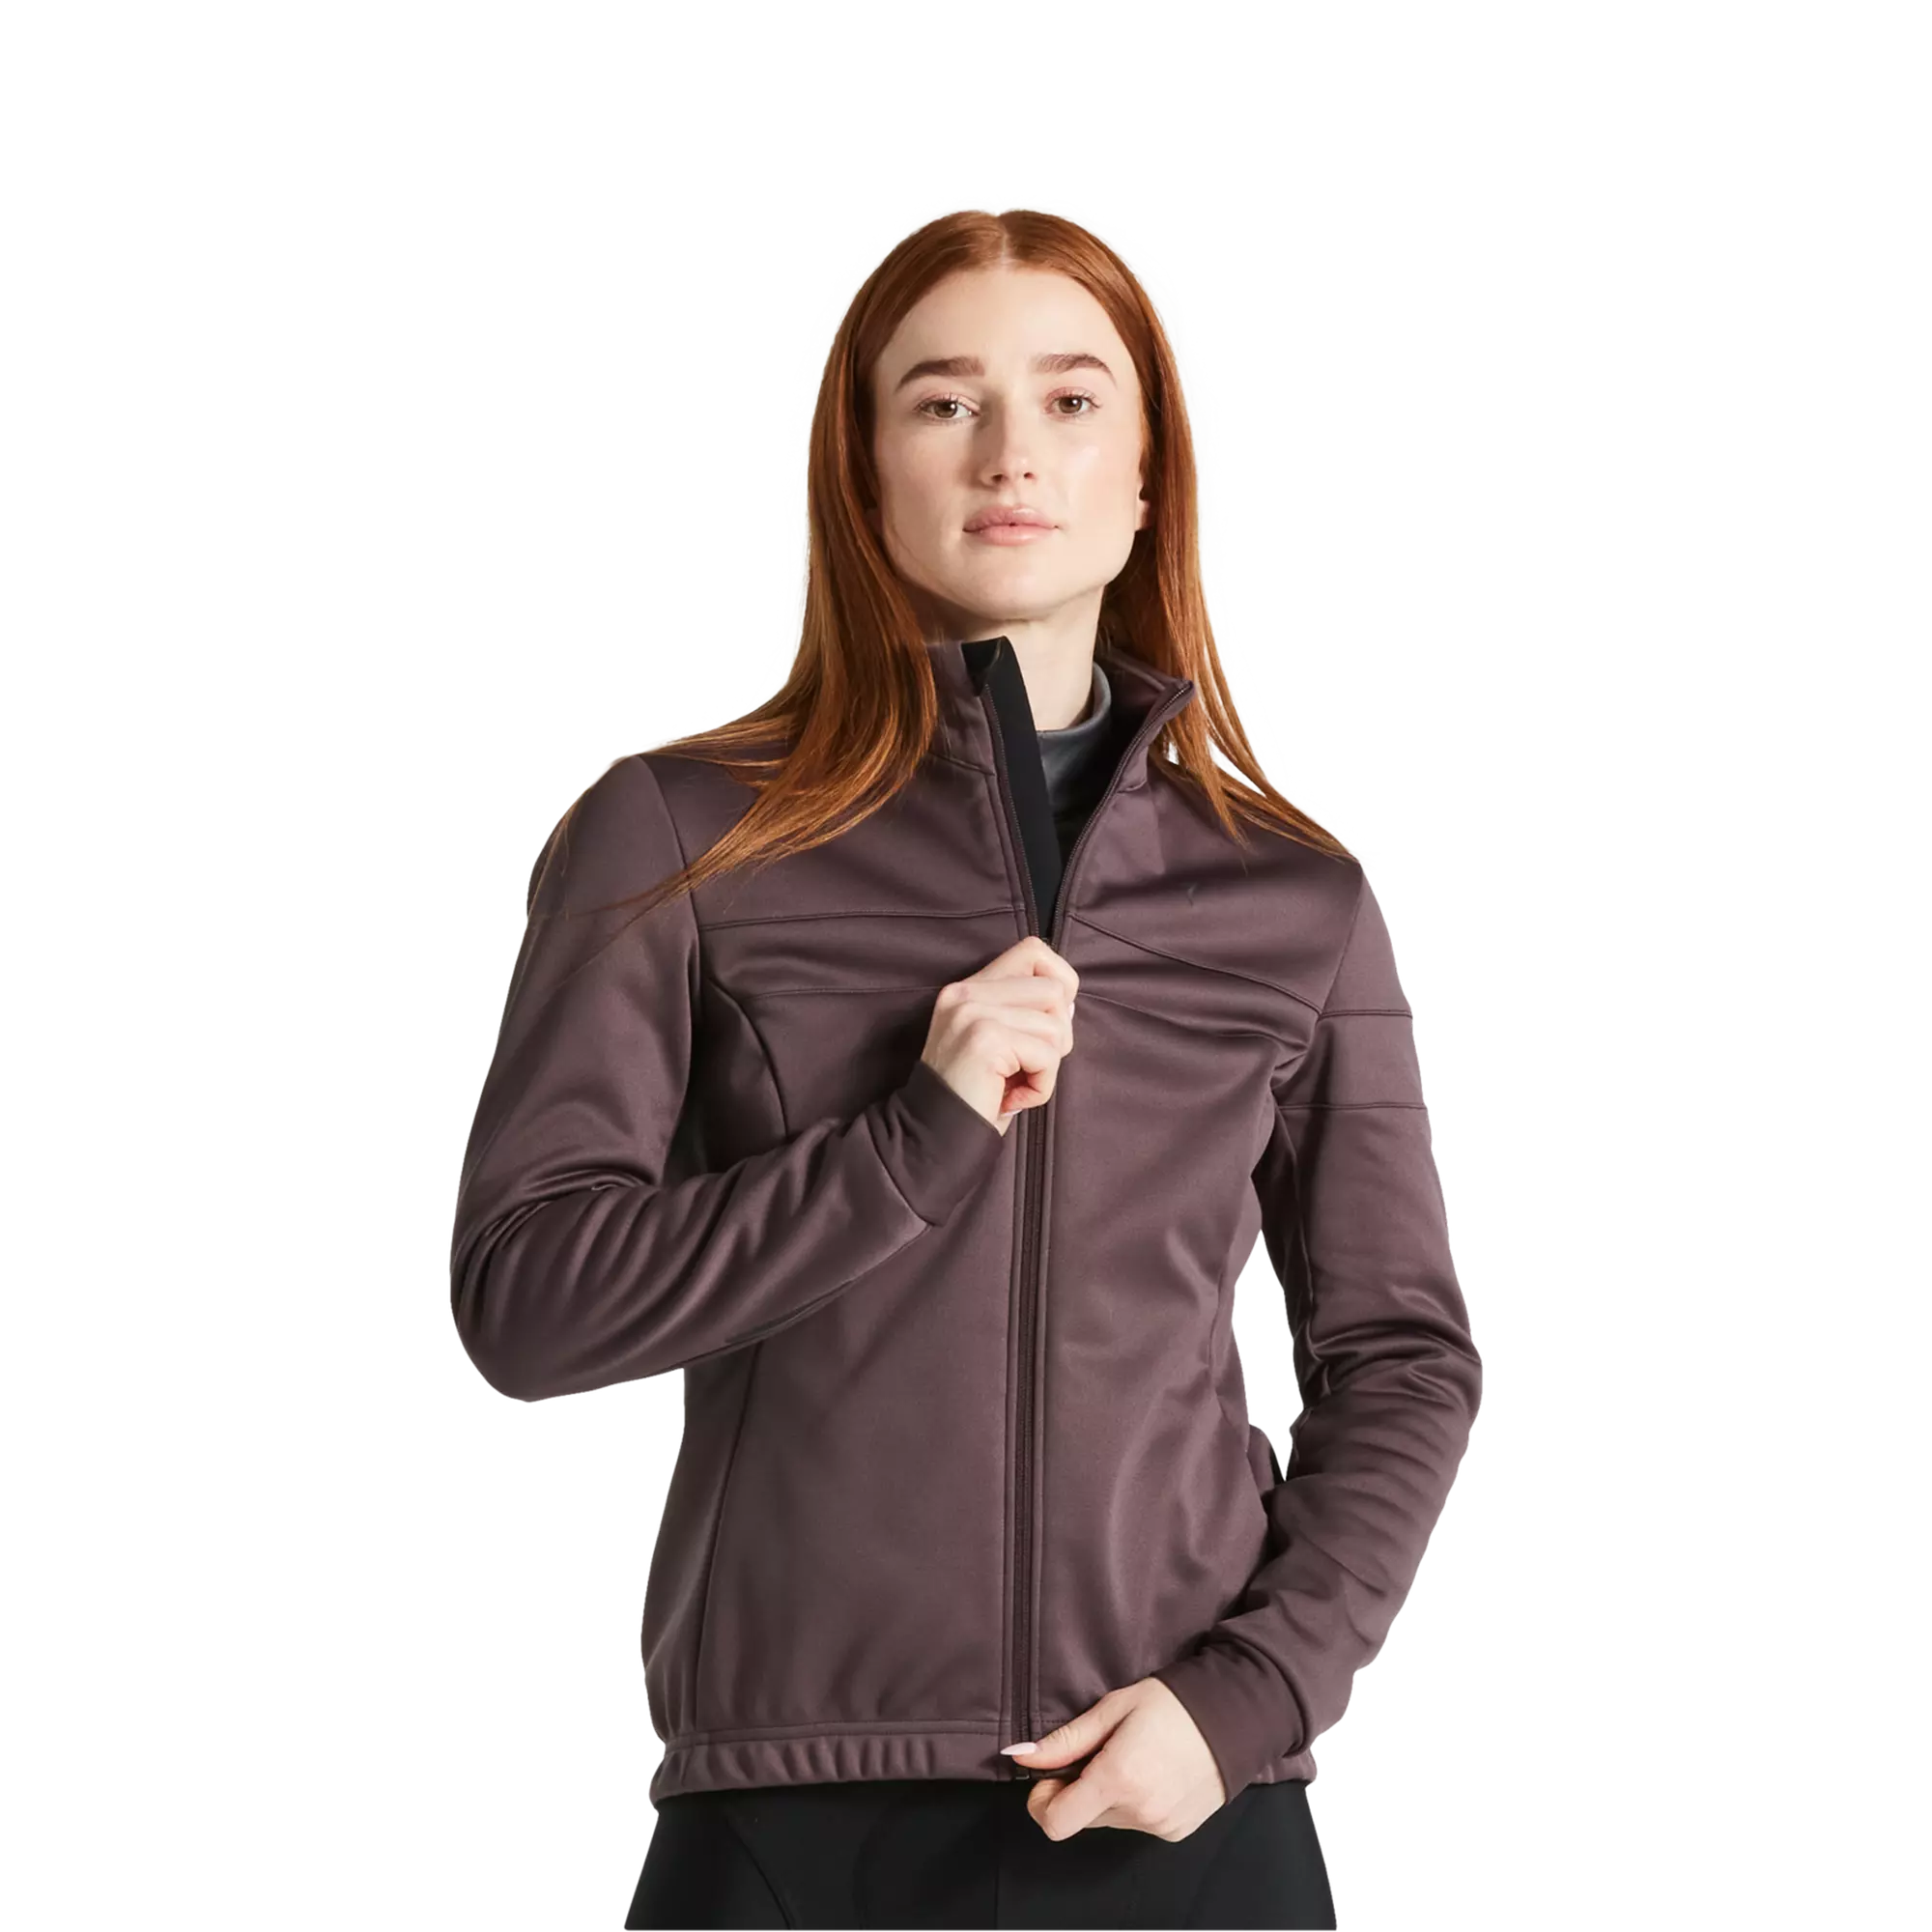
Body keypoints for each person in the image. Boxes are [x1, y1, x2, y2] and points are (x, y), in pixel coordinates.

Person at [447, 205, 1483, 1929]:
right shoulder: (682, 833)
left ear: (1151, 477)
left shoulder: (1300, 902)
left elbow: (1403, 1356)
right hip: (787, 1820)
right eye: (943, 401)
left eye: (1072, 401)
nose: (1011, 452)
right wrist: (908, 1142)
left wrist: (1252, 1698)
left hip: (1185, 1811)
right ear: (862, 476)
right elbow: (527, 1305)